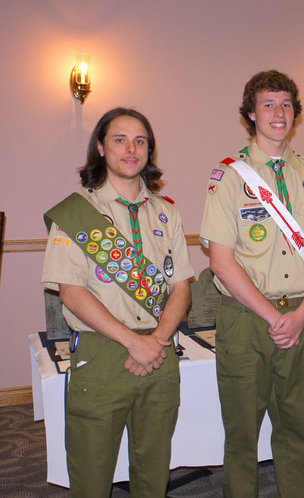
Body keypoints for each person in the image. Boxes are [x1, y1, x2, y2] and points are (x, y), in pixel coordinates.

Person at [200, 70, 304, 497]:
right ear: (250, 114)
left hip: (303, 312)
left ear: (295, 114)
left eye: (286, 105)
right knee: (242, 432)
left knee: (298, 423)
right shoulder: (229, 177)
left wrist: (299, 315)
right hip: (246, 321)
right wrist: (276, 317)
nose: (278, 113)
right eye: (268, 104)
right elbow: (221, 262)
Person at [41, 107, 194, 497]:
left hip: (159, 352)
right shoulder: (77, 212)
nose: (131, 149)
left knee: (153, 472)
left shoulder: (167, 211)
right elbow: (71, 294)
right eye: (120, 139)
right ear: (101, 148)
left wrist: (155, 340)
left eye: (140, 141)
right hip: (103, 354)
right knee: (91, 476)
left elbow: (181, 289)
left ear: (149, 150)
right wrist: (134, 342)